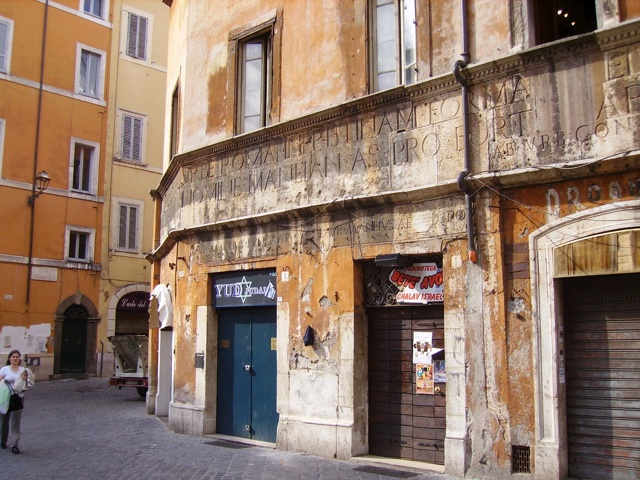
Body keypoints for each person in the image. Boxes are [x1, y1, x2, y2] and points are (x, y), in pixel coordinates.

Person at [0, 350, 34, 454]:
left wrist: (25, 378)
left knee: (15, 422)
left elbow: (29, 382)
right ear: (9, 358)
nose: (15, 358)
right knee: (3, 421)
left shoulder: (23, 370)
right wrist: (5, 381)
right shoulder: (4, 369)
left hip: (18, 398)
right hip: (5, 398)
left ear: (19, 359)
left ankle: (15, 444)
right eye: (13, 357)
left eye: (17, 357)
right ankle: (2, 441)